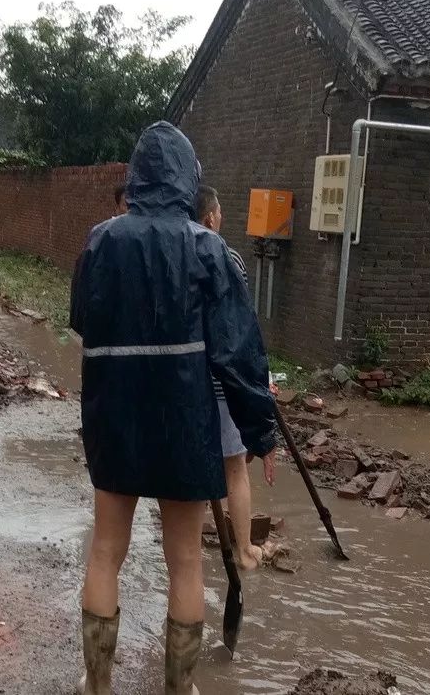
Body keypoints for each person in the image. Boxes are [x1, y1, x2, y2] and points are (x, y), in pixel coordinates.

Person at [70, 122, 277, 695]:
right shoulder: (208, 248)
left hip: (114, 415)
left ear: (135, 178)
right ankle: (179, 688)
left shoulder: (99, 242)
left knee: (106, 549)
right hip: (185, 421)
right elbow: (238, 350)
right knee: (185, 559)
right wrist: (260, 434)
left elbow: (82, 321)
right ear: (188, 179)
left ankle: (97, 684)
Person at [194, 185, 276, 570]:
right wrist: (261, 383)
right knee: (235, 467)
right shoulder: (230, 259)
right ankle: (244, 550)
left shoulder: (173, 257)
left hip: (187, 385)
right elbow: (240, 331)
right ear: (210, 218)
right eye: (221, 212)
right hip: (224, 384)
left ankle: (186, 547)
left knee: (193, 465)